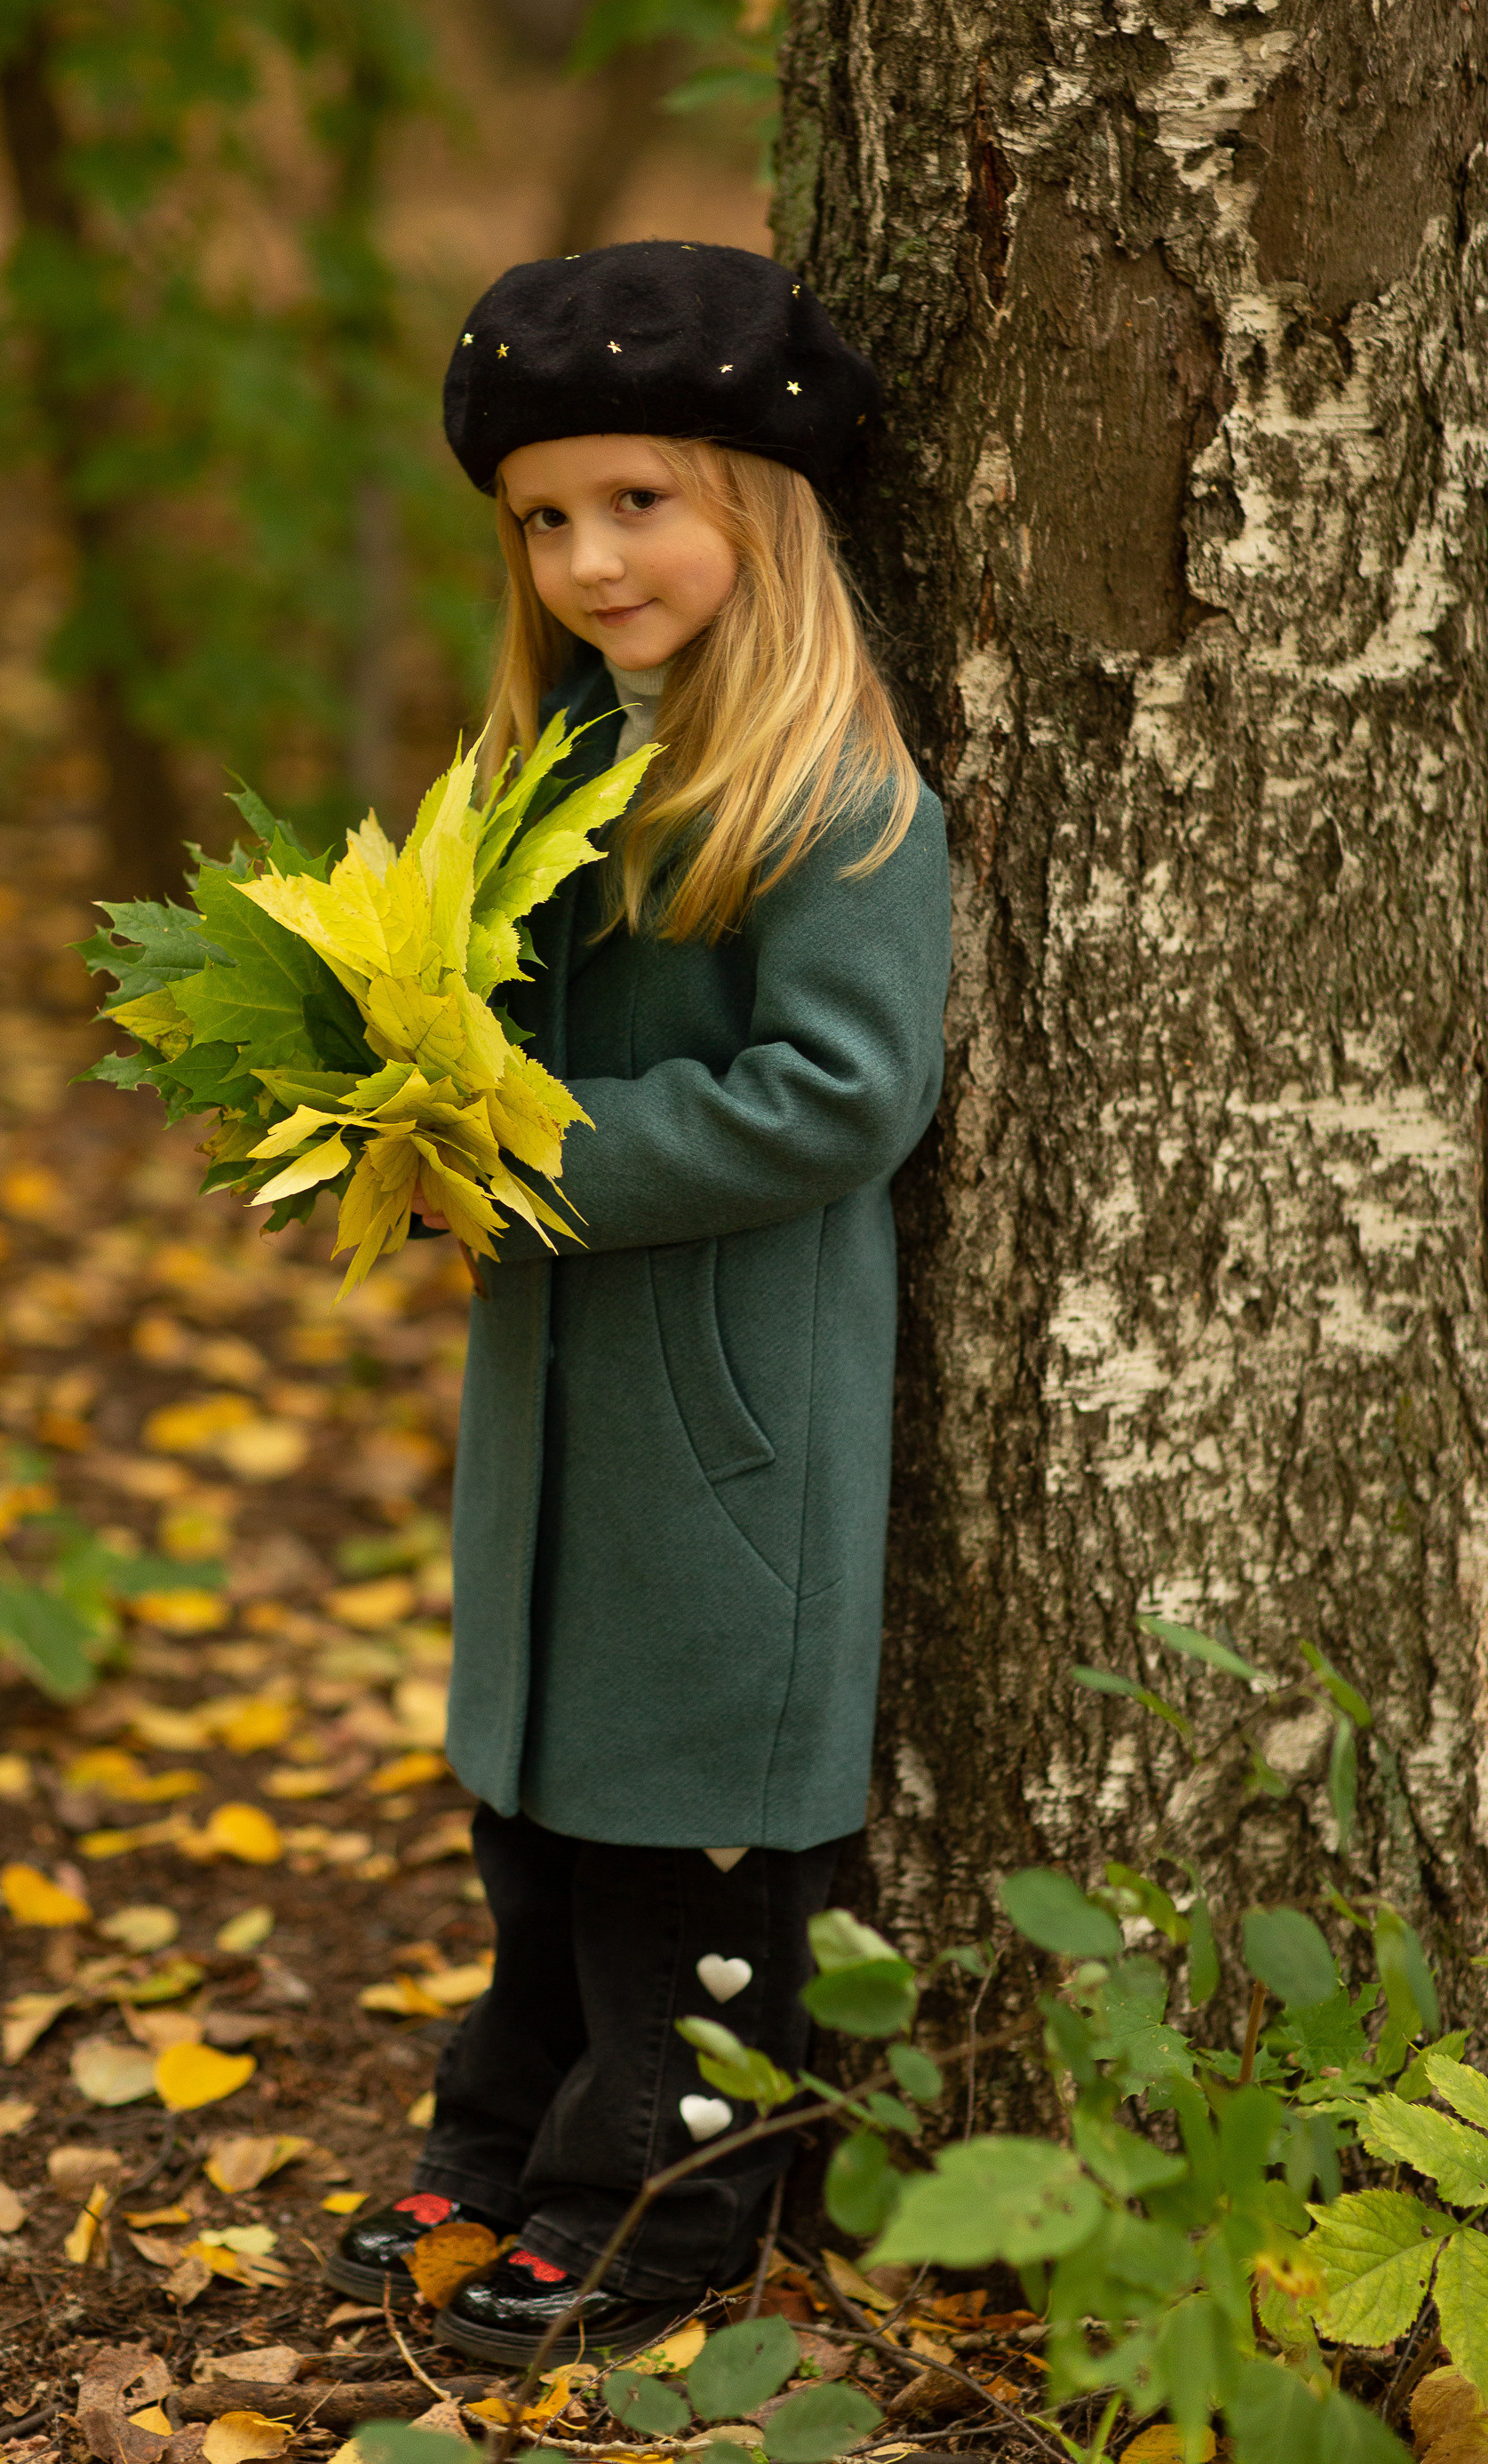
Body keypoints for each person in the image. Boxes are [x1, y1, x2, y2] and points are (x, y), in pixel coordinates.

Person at [327, 240, 953, 2364]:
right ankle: (495, 2137)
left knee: (679, 1854)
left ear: (758, 508)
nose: (591, 560)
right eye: (544, 518)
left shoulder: (834, 800)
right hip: (559, 1414)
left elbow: (840, 1094)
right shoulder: (549, 777)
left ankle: (660, 2207)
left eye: (639, 502)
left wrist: (526, 1145)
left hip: (727, 1419)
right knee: (535, 1827)